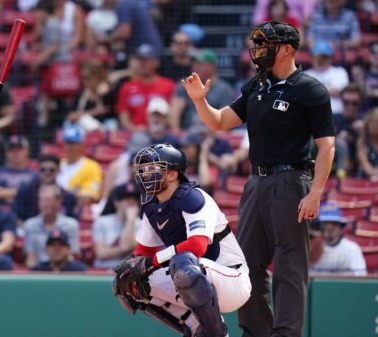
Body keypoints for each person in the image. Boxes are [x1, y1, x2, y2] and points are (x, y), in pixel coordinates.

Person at [180, 22, 335, 337]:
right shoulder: (257, 86)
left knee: (289, 266)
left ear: (287, 49)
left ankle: (285, 333)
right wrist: (199, 101)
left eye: (266, 44)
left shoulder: (310, 89)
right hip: (256, 182)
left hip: (292, 180)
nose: (258, 51)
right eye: (258, 44)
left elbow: (326, 145)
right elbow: (221, 121)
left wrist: (316, 191)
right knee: (246, 264)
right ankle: (256, 332)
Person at [113, 144, 251, 337]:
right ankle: (196, 329)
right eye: (143, 169)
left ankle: (215, 333)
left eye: (153, 168)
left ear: (172, 174)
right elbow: (142, 254)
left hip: (232, 280)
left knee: (184, 264)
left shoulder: (193, 197)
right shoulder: (151, 206)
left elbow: (197, 246)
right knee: (128, 281)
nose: (145, 174)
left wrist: (150, 263)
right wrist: (134, 267)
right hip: (194, 277)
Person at [170, 49, 235, 133]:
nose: (195, 66)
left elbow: (226, 120)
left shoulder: (224, 89)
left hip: (212, 136)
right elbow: (174, 112)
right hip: (187, 135)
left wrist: (214, 139)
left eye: (200, 63)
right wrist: (177, 134)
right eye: (194, 63)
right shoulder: (185, 84)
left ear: (212, 66)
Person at [115, 43, 175, 131]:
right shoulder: (127, 87)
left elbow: (173, 115)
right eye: (139, 60)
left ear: (156, 62)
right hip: (134, 133)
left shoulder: (169, 85)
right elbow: (124, 118)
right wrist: (136, 130)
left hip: (161, 133)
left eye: (146, 60)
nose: (142, 64)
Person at [23, 185, 80, 267]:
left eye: (49, 200)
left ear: (59, 202)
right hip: (39, 271)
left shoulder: (71, 225)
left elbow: (71, 256)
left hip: (63, 270)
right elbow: (30, 257)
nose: (45, 204)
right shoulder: (29, 225)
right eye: (42, 200)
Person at [13, 154, 77, 222]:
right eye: (43, 169)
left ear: (58, 170)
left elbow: (71, 221)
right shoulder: (25, 192)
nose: (47, 172)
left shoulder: (67, 196)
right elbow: (17, 217)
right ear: (38, 170)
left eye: (51, 170)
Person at [310, 202, 367, 276]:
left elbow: (360, 278)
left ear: (341, 226)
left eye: (334, 223)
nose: (329, 227)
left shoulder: (352, 248)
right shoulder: (312, 247)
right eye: (325, 223)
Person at [92, 182, 139, 269]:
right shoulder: (102, 222)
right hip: (103, 271)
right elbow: (101, 253)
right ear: (116, 202)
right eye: (126, 198)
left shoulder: (140, 223)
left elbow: (127, 245)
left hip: (129, 271)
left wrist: (130, 220)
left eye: (134, 198)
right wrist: (123, 249)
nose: (131, 201)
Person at [56, 124, 103, 205]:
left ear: (82, 144)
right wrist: (74, 192)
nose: (69, 147)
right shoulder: (57, 164)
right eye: (67, 142)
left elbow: (89, 197)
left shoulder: (92, 167)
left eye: (73, 143)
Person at [304, 41, 349, 115]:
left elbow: (341, 92)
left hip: (336, 113)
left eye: (324, 57)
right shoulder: (305, 74)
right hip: (312, 114)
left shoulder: (340, 72)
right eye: (318, 57)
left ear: (330, 58)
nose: (321, 60)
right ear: (312, 58)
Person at [356, 107, 378, 180]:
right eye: (373, 123)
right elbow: (364, 163)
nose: (375, 126)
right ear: (367, 125)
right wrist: (373, 172)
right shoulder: (363, 142)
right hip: (366, 180)